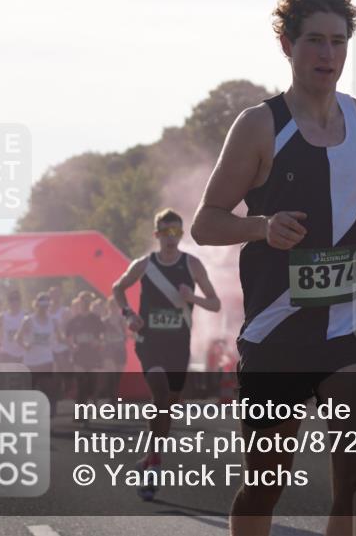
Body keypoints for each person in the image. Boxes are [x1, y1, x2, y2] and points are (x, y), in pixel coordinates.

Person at [190, 0, 356, 536]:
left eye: (338, 42)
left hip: (351, 324)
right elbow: (206, 223)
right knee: (265, 486)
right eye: (314, 41)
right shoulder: (260, 126)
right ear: (287, 44)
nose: (327, 55)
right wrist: (261, 227)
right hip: (276, 331)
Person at [112, 208, 222, 501]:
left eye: (177, 232)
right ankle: (155, 464)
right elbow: (118, 288)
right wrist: (128, 315)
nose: (172, 238)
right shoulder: (144, 265)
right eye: (166, 232)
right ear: (157, 235)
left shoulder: (193, 265)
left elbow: (215, 304)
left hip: (178, 344)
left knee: (168, 406)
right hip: (150, 342)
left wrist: (192, 297)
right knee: (160, 395)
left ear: (181, 234)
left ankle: (150, 456)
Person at [17, 292, 61, 417]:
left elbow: (60, 336)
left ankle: (48, 419)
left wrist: (69, 343)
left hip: (46, 360)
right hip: (31, 361)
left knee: (48, 390)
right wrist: (25, 345)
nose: (44, 309)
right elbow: (18, 338)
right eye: (41, 307)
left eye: (46, 307)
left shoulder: (53, 321)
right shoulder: (28, 320)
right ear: (36, 305)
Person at [99, 297, 128, 405]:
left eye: (115, 305)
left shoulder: (122, 319)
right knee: (112, 374)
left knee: (118, 376)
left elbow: (126, 334)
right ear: (108, 306)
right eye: (112, 305)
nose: (114, 308)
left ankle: (114, 398)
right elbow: (101, 335)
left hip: (120, 348)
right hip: (109, 348)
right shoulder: (104, 320)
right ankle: (113, 399)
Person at [0, 289, 27, 366]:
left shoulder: (26, 315)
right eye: (11, 299)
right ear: (8, 301)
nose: (14, 301)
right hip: (7, 354)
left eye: (16, 298)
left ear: (20, 300)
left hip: (23, 354)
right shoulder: (2, 316)